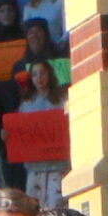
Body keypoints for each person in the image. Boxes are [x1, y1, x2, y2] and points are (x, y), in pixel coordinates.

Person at [13, 59, 68, 207]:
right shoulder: (26, 104)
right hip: (35, 166)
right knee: (35, 208)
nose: (39, 78)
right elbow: (21, 132)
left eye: (42, 73)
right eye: (35, 74)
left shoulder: (62, 100)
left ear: (49, 75)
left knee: (56, 205)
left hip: (58, 163)